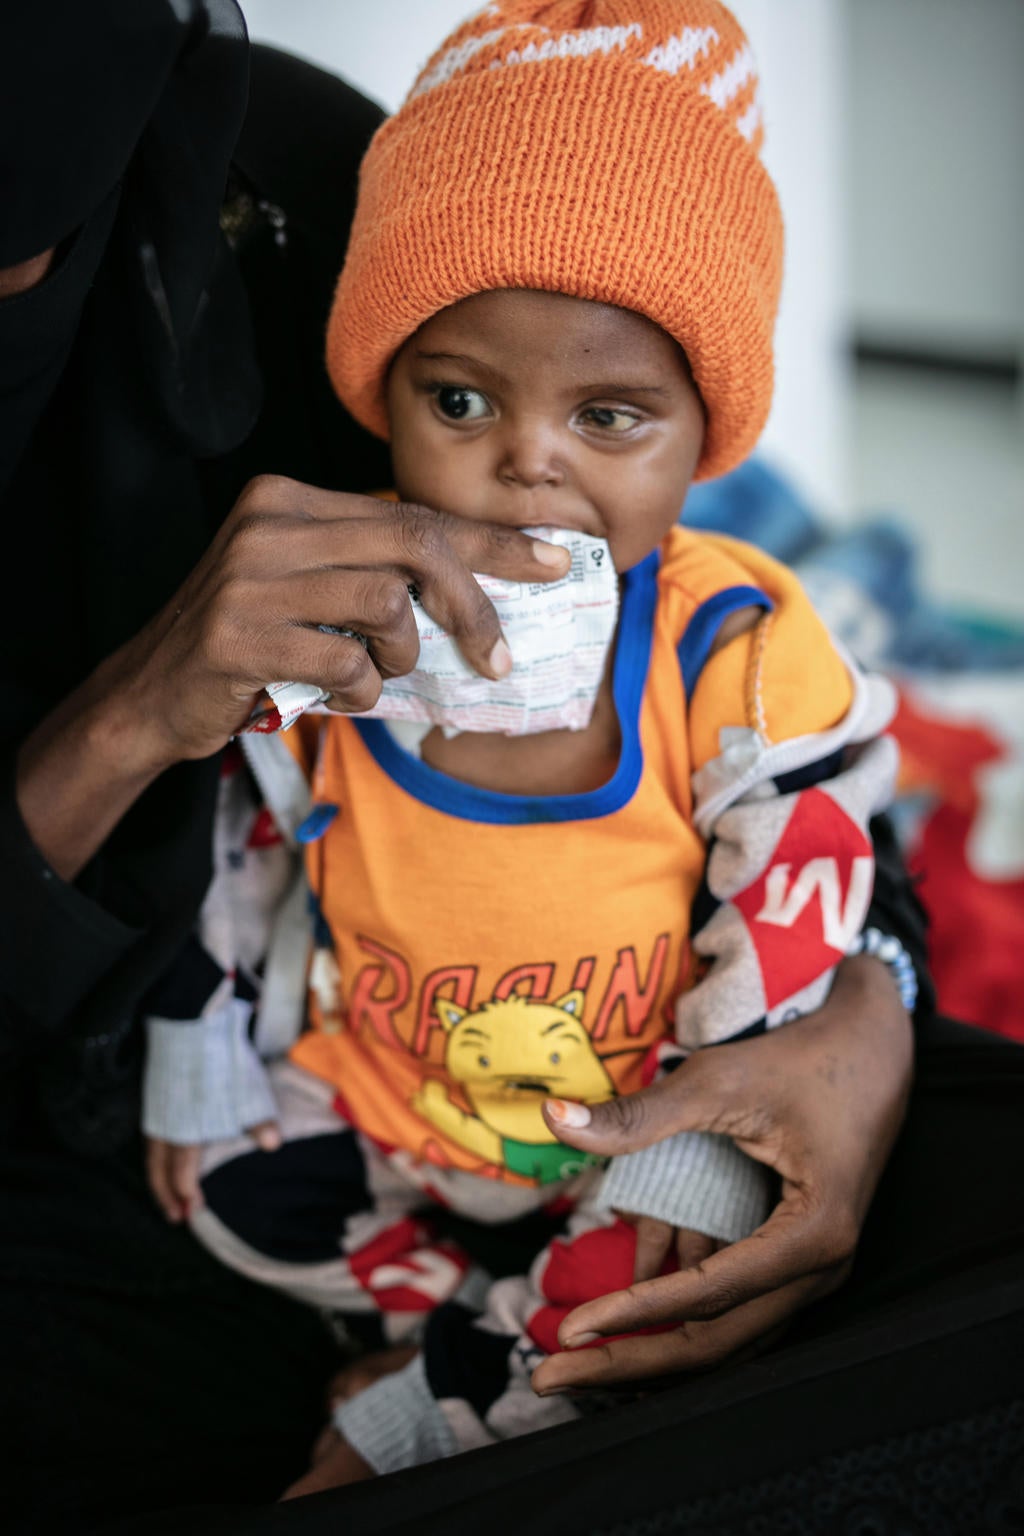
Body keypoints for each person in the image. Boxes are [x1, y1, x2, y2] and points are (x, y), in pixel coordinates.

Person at [3, 3, 1021, 1533]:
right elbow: (249, 857)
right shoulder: (340, 637)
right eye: (460, 401)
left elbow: (814, 898)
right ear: (385, 393)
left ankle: (456, 1388)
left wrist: (855, 1026)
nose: (527, 462)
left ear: (705, 435)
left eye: (608, 417)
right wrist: (196, 1067)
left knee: (712, 1263)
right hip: (325, 1141)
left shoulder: (729, 655)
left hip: (634, 1136)